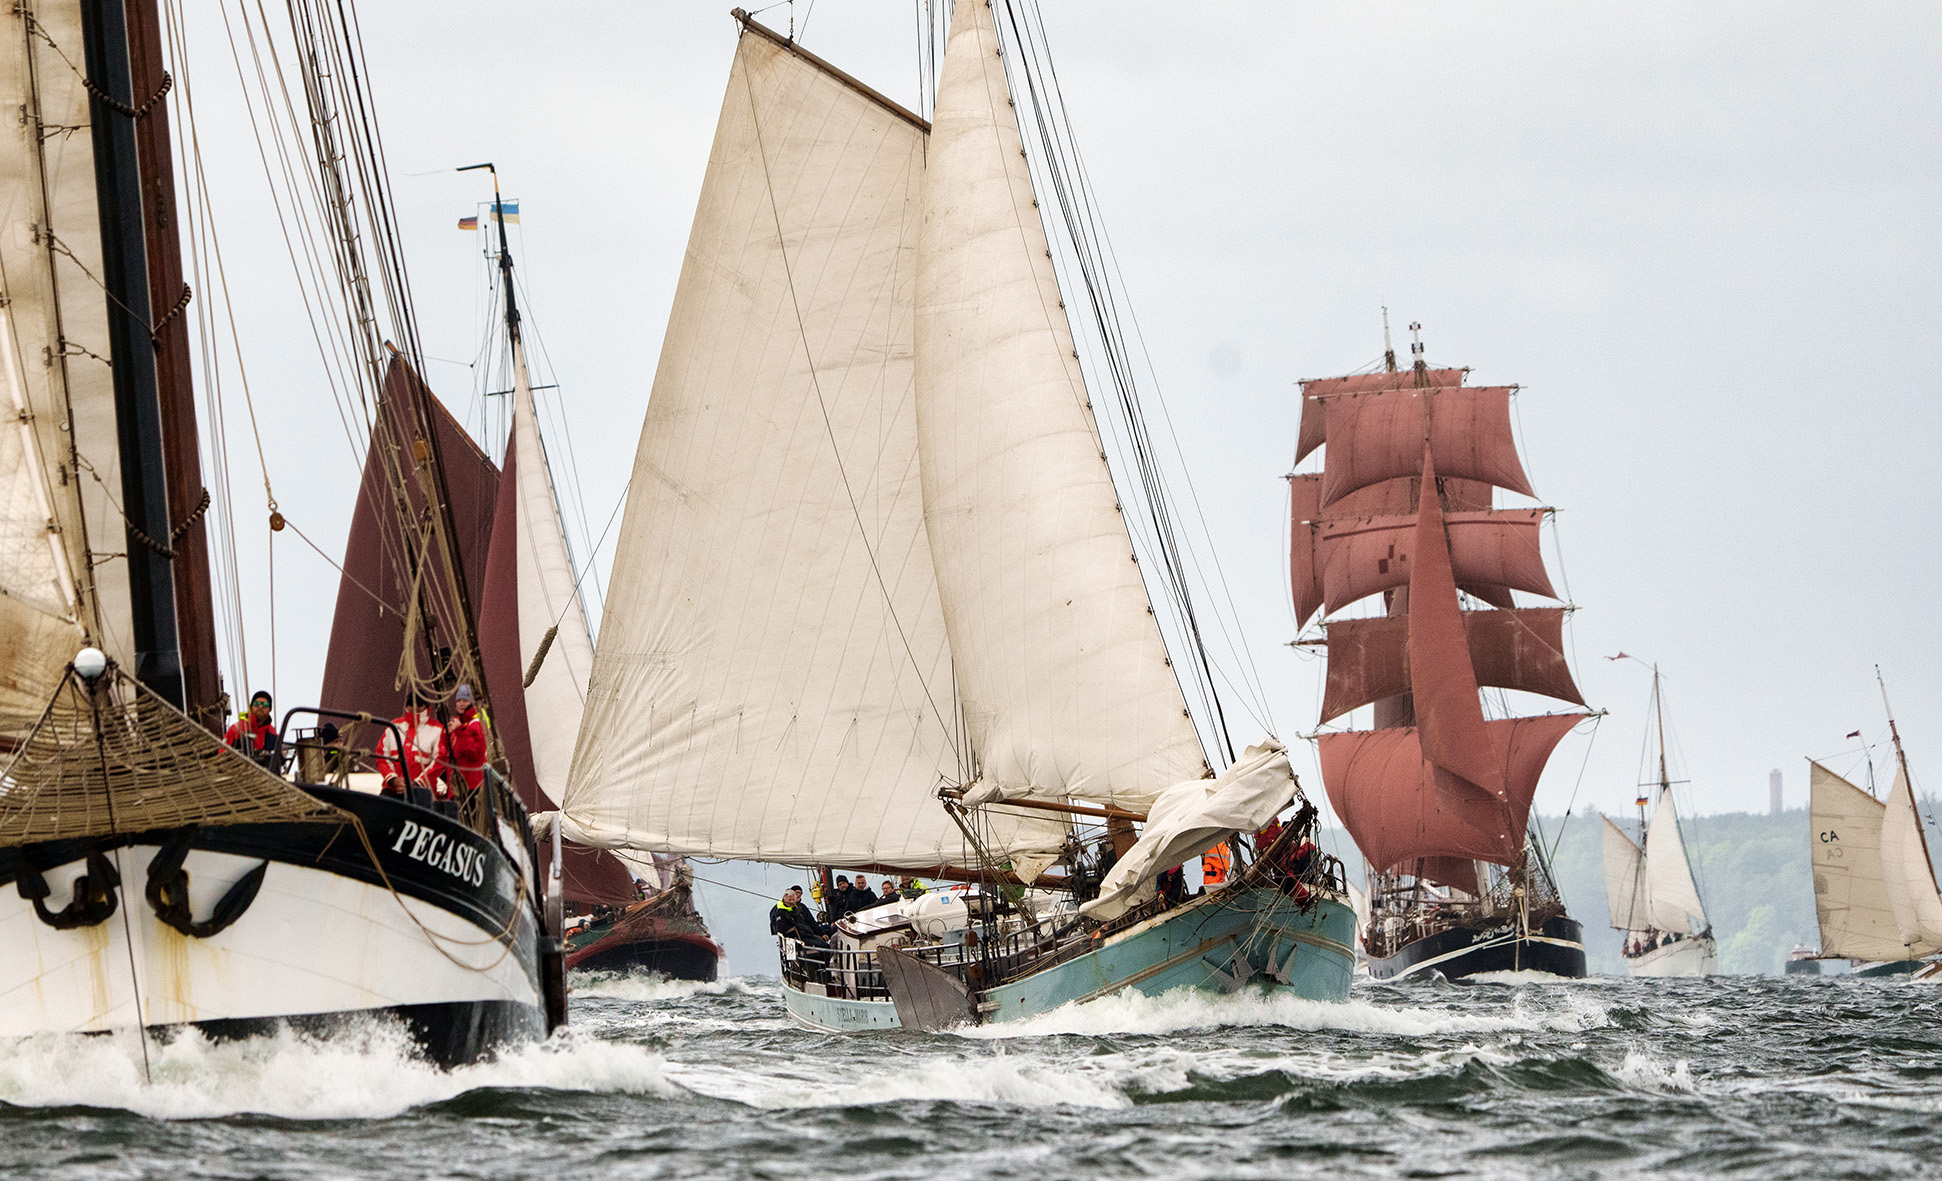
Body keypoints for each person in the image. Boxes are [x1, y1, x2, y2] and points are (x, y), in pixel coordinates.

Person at [376, 692, 450, 800]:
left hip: (423, 791)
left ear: (426, 706)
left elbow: (439, 761)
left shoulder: (437, 729)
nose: (415, 708)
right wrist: (393, 779)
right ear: (406, 706)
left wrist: (417, 783)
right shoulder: (394, 726)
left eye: (419, 705)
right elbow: (381, 755)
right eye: (411, 704)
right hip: (392, 788)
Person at [447, 683, 489, 791]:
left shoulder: (477, 724)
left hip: (473, 784)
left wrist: (459, 731)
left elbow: (474, 752)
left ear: (472, 703)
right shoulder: (457, 725)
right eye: (459, 701)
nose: (461, 704)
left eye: (465, 701)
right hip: (459, 785)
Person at [224, 690, 282, 768]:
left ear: (270, 709)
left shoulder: (273, 735)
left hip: (267, 777)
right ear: (251, 707)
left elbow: (280, 759)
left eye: (265, 704)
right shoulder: (236, 730)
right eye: (256, 704)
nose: (260, 707)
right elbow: (222, 753)